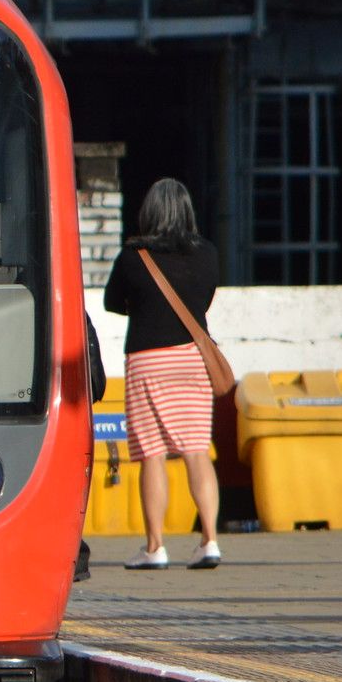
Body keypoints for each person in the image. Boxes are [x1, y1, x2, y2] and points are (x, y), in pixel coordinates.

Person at [102, 178, 221, 570]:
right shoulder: (208, 254)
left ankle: (155, 547)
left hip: (147, 360)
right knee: (196, 451)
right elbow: (203, 299)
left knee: (151, 455)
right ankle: (209, 540)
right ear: (186, 210)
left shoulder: (134, 257)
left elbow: (112, 303)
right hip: (191, 359)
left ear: (149, 212)